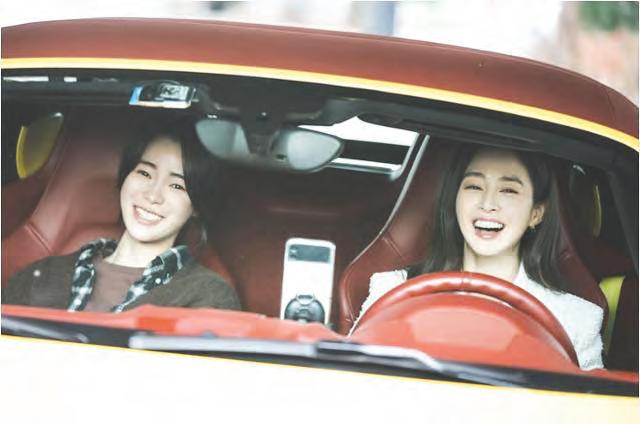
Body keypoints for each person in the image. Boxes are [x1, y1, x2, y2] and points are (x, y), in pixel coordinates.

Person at [352, 145, 603, 370]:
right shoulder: (393, 289)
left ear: (535, 214)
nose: (488, 203)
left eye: (508, 190)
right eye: (474, 186)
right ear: (455, 199)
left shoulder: (576, 319)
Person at [3, 117, 240, 313]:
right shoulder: (42, 274)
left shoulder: (207, 296)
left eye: (177, 185)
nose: (153, 195)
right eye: (145, 173)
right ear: (126, 177)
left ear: (196, 205)